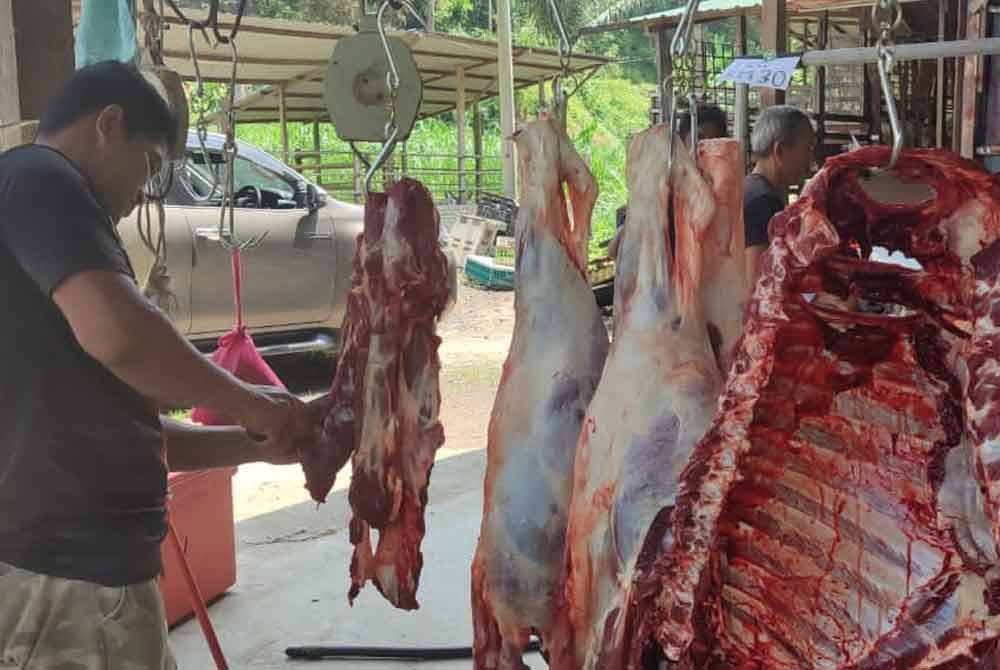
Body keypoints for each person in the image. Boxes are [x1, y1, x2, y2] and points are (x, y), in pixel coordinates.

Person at [0, 61, 318, 668]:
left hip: (86, 578)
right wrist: (250, 403)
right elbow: (123, 336)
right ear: (109, 125)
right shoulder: (41, 177)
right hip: (68, 581)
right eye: (149, 164)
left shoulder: (37, 222)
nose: (147, 191)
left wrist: (256, 444)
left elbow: (132, 431)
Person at [608, 103, 728, 261]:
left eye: (714, 142)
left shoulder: (724, 194)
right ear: (681, 143)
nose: (704, 148)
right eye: (699, 139)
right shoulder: (661, 188)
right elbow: (614, 251)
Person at [743, 105, 816, 286]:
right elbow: (760, 286)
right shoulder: (763, 202)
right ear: (780, 151)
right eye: (807, 149)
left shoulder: (751, 187)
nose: (811, 161)